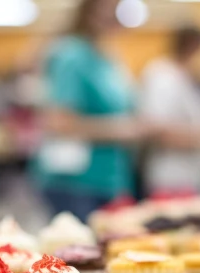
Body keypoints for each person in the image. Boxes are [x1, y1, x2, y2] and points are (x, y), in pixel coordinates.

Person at [33, 0, 147, 220]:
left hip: (110, 177)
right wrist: (122, 130)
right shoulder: (71, 55)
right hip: (77, 183)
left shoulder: (107, 56)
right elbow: (59, 121)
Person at [140, 25, 200, 194]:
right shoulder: (162, 75)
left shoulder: (190, 77)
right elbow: (157, 129)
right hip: (172, 179)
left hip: (196, 176)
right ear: (192, 45)